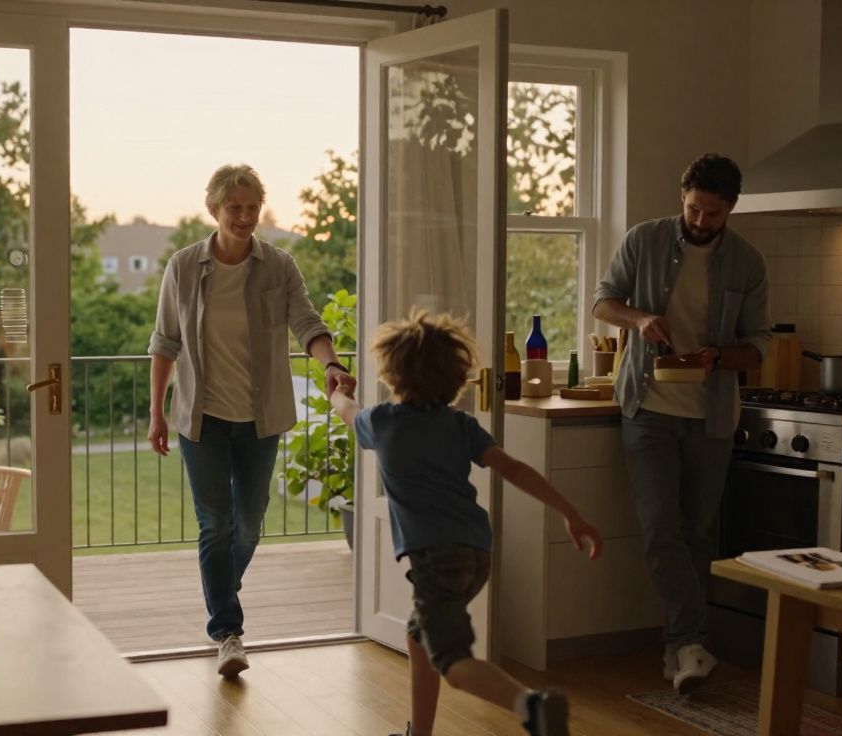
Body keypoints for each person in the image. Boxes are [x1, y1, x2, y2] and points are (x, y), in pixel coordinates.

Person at [328, 308, 603, 736]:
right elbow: (513, 469)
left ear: (392, 373)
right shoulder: (460, 425)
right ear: (455, 377)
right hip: (476, 551)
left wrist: (339, 391)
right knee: (421, 638)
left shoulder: (382, 423)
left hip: (436, 561)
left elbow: (347, 409)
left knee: (453, 663)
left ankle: (530, 705)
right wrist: (572, 513)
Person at [147, 163, 355, 678]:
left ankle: (220, 593)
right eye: (234, 207)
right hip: (203, 417)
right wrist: (156, 411)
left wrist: (329, 363)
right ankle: (228, 631)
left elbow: (307, 321)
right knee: (215, 524)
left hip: (261, 419)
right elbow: (165, 342)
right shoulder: (184, 266)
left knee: (248, 522)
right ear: (213, 209)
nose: (244, 217)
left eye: (251, 207)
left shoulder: (279, 266)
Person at [592, 153, 770, 693]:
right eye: (694, 210)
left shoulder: (747, 262)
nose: (700, 222)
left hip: (712, 415)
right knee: (659, 531)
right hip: (647, 410)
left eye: (712, 215)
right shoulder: (644, 240)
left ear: (730, 209)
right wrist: (640, 318)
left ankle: (680, 650)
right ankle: (692, 643)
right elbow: (603, 302)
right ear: (683, 198)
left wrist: (720, 356)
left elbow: (758, 347)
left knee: (698, 535)